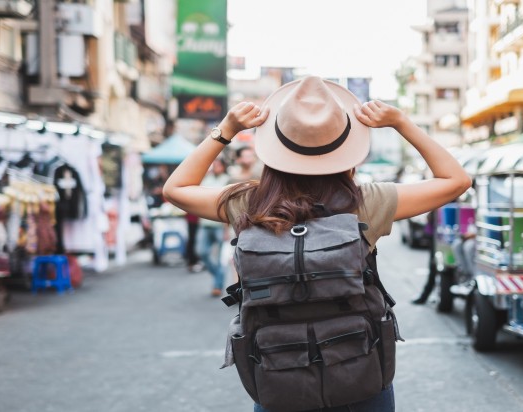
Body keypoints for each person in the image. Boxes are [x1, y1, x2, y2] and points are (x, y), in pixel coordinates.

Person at [163, 76, 471, 412]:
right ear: (345, 148)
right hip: (360, 375)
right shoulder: (367, 202)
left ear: (276, 146)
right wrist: (400, 122)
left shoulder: (250, 204)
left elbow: (175, 189)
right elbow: (456, 180)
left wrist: (226, 129)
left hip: (278, 374)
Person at [196, 158, 230, 296]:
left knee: (222, 258)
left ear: (223, 166)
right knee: (202, 252)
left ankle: (217, 285)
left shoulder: (227, 180)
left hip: (220, 225)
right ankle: (217, 275)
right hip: (205, 224)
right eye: (214, 164)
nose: (215, 167)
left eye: (217, 165)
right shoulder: (207, 180)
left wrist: (227, 228)